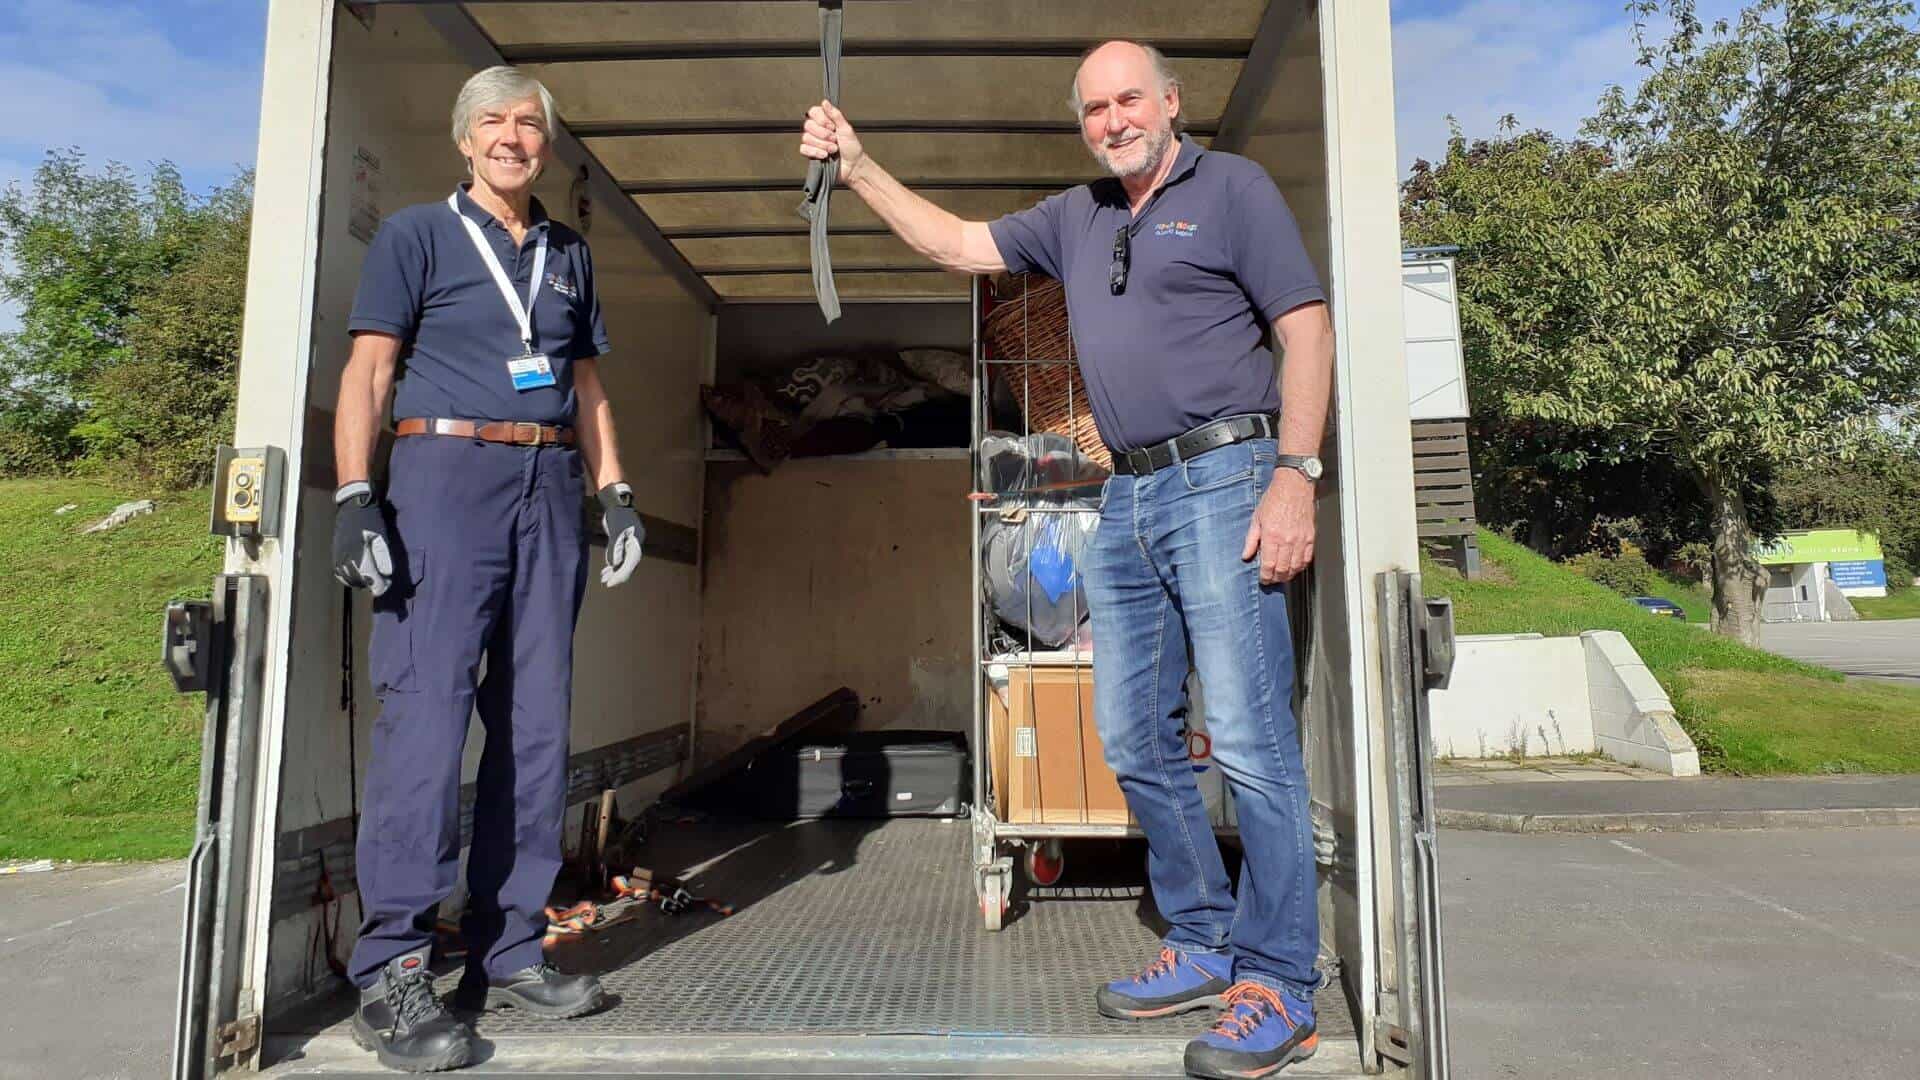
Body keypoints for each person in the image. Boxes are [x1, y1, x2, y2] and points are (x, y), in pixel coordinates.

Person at [801, 39, 1335, 1080]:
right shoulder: (1074, 215)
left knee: (1250, 740)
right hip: (1125, 489)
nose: (1113, 119)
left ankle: (1279, 983)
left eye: (1129, 98)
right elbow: (957, 245)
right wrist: (858, 166)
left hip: (1232, 474)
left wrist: (1296, 476)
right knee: (1134, 735)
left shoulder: (1234, 188)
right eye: (1094, 107)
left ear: (1171, 103)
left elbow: (1303, 332)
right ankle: (1202, 939)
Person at [330, 65, 644, 1073]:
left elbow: (586, 386)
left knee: (535, 722)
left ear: (545, 145)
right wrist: (353, 497)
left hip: (547, 489)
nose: (514, 138)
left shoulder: (567, 254)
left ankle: (506, 949)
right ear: (464, 140)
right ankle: (392, 969)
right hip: (442, 477)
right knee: (425, 718)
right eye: (495, 123)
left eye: (531, 125)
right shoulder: (417, 236)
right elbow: (369, 371)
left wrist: (617, 492)